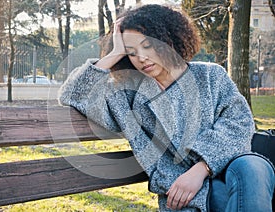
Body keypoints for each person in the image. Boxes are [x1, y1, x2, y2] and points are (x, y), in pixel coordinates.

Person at [58, 4, 274, 211]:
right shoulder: (127, 96)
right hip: (188, 192)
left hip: (230, 166)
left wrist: (202, 168)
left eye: (148, 46)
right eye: (131, 52)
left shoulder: (211, 76)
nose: (141, 58)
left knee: (253, 168)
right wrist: (114, 53)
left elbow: (240, 122)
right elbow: (72, 94)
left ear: (168, 39)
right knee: (233, 198)